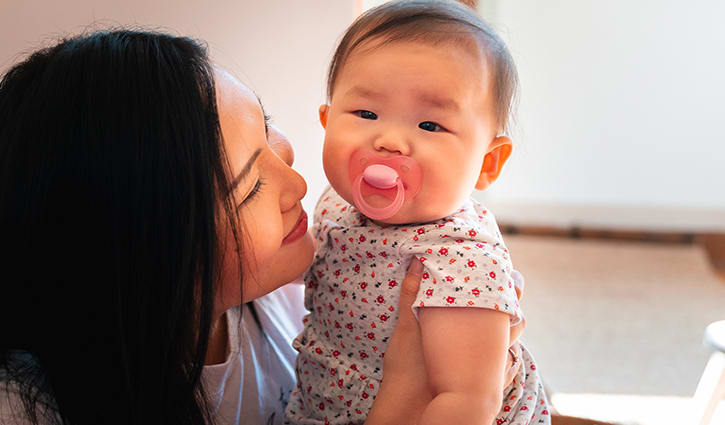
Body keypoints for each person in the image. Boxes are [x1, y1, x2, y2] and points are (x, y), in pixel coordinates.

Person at [0, 29, 521, 425]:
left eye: (268, 127)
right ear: (147, 255)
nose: (296, 182)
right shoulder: (30, 406)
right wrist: (400, 394)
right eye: (249, 186)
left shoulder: (283, 301)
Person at [286, 1, 549, 425]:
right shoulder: (336, 203)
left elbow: (467, 402)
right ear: (327, 120)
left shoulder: (461, 262)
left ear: (488, 163)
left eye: (430, 126)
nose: (389, 141)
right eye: (366, 113)